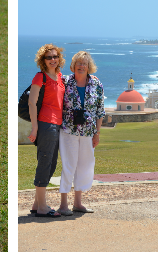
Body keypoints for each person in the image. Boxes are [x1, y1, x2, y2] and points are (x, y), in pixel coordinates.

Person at [57, 51, 104, 216]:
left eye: (84, 63)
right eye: (78, 63)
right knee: (69, 165)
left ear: (89, 66)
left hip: (88, 132)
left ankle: (78, 203)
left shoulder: (96, 84)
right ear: (73, 65)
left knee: (84, 166)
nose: (81, 66)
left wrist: (97, 133)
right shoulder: (65, 81)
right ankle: (63, 204)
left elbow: (100, 111)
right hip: (68, 130)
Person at [28, 44, 65, 217]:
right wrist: (35, 127)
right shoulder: (39, 77)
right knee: (45, 163)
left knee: (51, 164)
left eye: (55, 56)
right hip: (46, 123)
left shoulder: (60, 77)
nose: (53, 60)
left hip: (58, 124)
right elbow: (32, 102)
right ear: (43, 60)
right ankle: (42, 207)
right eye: (49, 57)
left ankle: (37, 204)